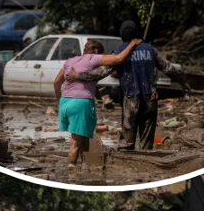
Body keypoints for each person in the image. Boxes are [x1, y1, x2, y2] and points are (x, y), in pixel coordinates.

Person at [66, 20, 189, 151]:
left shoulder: (120, 52)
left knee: (127, 141)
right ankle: (146, 164)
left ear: (121, 35)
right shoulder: (150, 49)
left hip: (131, 99)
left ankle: (127, 165)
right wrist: (183, 82)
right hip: (150, 98)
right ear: (136, 34)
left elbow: (101, 72)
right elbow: (168, 68)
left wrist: (78, 76)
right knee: (146, 139)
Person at [53, 37, 143, 169]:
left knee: (83, 135)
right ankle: (71, 169)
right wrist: (132, 44)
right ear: (95, 51)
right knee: (76, 140)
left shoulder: (70, 61)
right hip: (81, 103)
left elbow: (56, 82)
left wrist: (59, 100)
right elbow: (118, 59)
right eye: (100, 52)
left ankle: (85, 166)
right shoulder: (93, 59)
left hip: (65, 102)